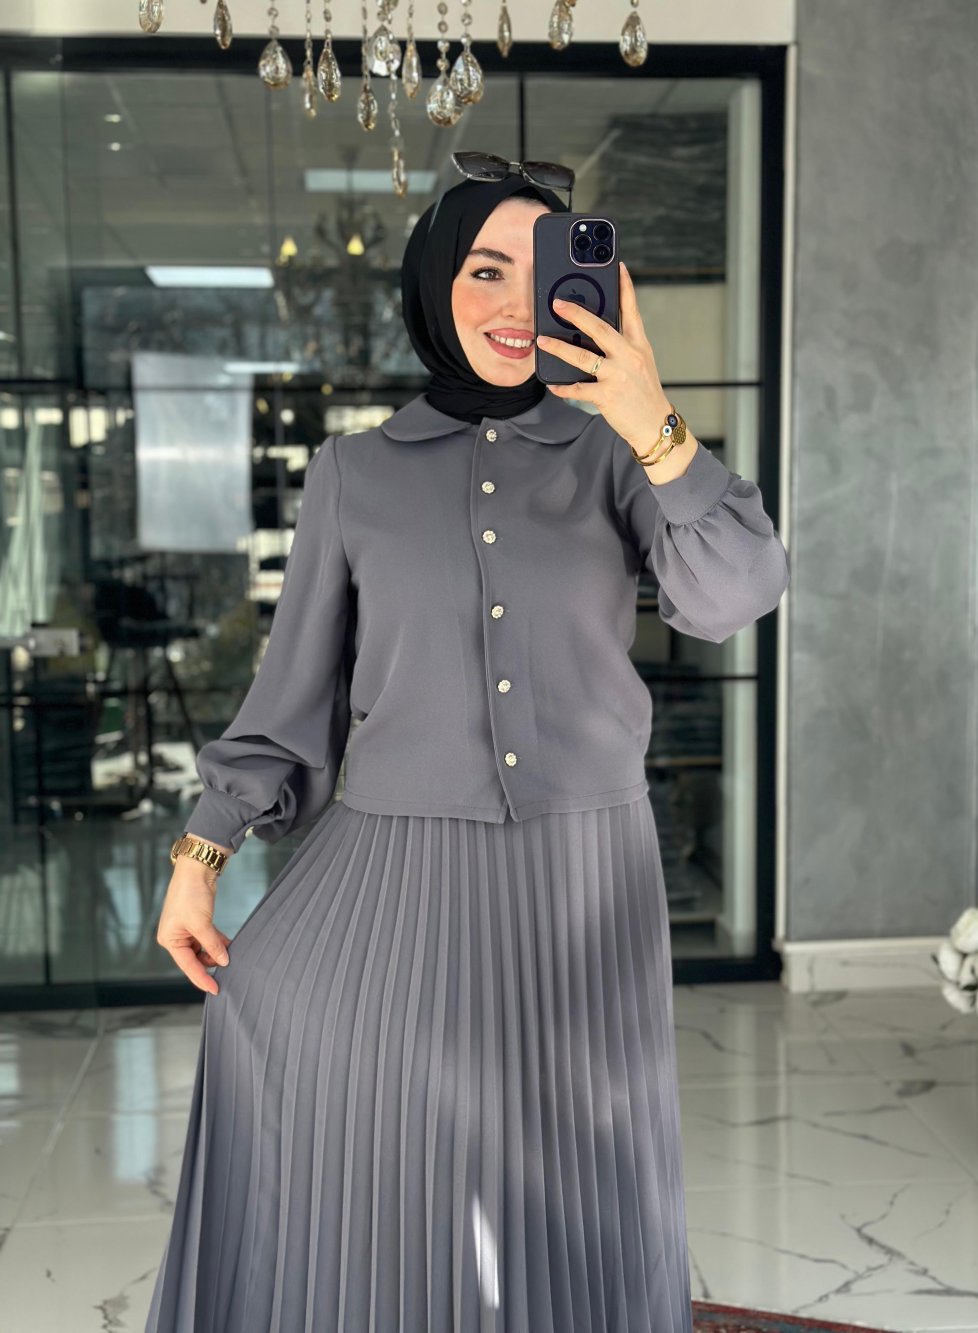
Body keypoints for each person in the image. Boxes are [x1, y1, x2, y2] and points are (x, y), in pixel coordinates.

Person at [145, 159, 789, 1333]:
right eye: (486, 269)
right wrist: (203, 851)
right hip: (395, 871)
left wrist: (651, 417)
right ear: (435, 284)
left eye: (541, 272)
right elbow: (291, 695)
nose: (514, 301)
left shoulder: (617, 455)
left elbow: (736, 591)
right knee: (398, 1175)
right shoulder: (353, 473)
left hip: (582, 877)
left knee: (586, 1176)